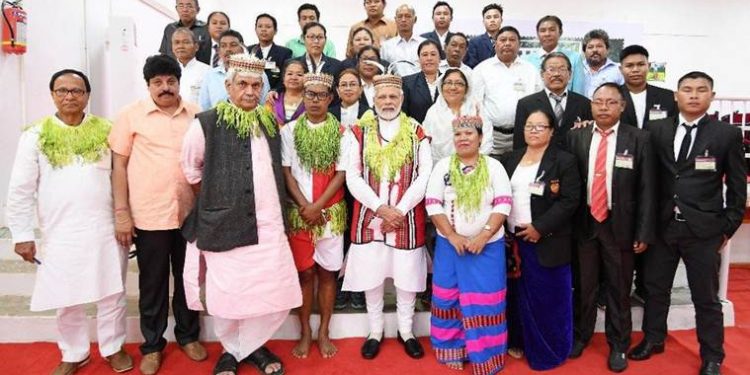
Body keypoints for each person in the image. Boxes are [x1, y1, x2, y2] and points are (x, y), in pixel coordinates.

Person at [181, 54, 302, 375]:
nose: (250, 91)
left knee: (264, 292)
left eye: (256, 85)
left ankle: (251, 346)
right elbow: (192, 171)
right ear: (228, 86)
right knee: (229, 294)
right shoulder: (205, 123)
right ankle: (230, 351)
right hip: (224, 225)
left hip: (269, 226)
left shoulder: (270, 124)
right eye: (243, 84)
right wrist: (216, 202)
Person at [7, 69, 132, 375]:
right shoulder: (35, 135)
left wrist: (126, 218)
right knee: (67, 296)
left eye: (76, 91)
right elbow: (20, 188)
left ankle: (113, 348)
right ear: (52, 95)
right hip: (60, 231)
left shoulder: (108, 130)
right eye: (62, 91)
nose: (69, 97)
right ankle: (74, 353)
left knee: (112, 292)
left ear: (88, 95)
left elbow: (124, 177)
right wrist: (22, 233)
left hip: (106, 227)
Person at [630, 72, 747, 375]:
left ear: (711, 95)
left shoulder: (726, 134)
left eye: (701, 90)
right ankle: (654, 339)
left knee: (705, 298)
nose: (693, 95)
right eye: (687, 90)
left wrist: (727, 226)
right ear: (675, 95)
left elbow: (737, 186)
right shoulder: (656, 130)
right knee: (655, 290)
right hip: (663, 226)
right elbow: (647, 178)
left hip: (704, 231)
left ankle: (712, 355)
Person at [109, 55, 206, 375]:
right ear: (148, 84)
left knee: (187, 279)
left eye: (170, 81)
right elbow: (119, 166)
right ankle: (152, 345)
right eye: (158, 82)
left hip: (188, 213)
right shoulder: (130, 116)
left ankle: (188, 336)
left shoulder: (196, 114)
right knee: (152, 284)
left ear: (179, 81)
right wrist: (121, 213)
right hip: (149, 214)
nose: (165, 88)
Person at [342, 72, 432, 360]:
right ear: (373, 99)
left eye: (393, 96)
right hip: (370, 216)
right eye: (382, 96)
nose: (388, 101)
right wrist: (380, 208)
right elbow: (353, 176)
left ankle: (406, 331)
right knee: (371, 275)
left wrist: (400, 210)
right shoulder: (359, 131)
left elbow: (424, 174)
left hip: (406, 216)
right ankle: (375, 331)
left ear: (402, 99)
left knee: (406, 276)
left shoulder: (416, 130)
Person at [567, 83, 655, 372]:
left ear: (622, 106)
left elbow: (647, 189)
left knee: (619, 290)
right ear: (591, 105)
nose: (603, 107)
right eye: (598, 102)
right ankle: (581, 336)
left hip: (621, 226)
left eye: (610, 102)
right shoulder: (576, 136)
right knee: (584, 286)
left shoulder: (639, 138)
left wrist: (643, 231)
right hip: (585, 224)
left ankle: (619, 345)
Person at [426, 114, 512, 374]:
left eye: (469, 134)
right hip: (450, 248)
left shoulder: (494, 166)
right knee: (448, 298)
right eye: (458, 135)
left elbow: (503, 203)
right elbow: (432, 203)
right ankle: (453, 349)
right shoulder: (442, 166)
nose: (463, 138)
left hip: (488, 248)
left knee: (486, 302)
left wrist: (484, 236)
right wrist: (452, 236)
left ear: (481, 138)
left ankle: (485, 355)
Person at [501, 110, 580, 370]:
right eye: (529, 126)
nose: (533, 130)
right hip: (513, 244)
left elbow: (570, 201)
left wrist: (539, 228)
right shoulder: (510, 159)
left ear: (551, 130)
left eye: (540, 126)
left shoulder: (564, 160)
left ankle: (550, 349)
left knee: (550, 299)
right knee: (516, 298)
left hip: (547, 242)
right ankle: (519, 341)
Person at [281, 72, 347, 359]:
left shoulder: (343, 133)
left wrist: (318, 205)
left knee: (327, 273)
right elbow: (286, 172)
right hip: (300, 213)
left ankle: (324, 331)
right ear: (303, 96)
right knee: (305, 273)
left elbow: (342, 173)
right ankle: (305, 331)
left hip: (329, 214)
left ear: (330, 99)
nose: (315, 100)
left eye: (321, 95)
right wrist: (305, 206)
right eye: (310, 94)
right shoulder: (289, 131)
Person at [329, 69, 370, 312]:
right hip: (333, 181)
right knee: (339, 234)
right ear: (336, 90)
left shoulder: (371, 114)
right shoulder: (329, 113)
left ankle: (358, 289)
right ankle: (340, 287)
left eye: (352, 84)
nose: (347, 88)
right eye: (342, 84)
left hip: (363, 181)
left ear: (361, 88)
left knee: (359, 234)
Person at [473, 26, 542, 157]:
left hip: (523, 136)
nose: (507, 43)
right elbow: (475, 104)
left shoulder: (530, 70)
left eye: (512, 40)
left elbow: (539, 103)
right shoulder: (482, 69)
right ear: (495, 44)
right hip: (492, 136)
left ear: (519, 44)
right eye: (503, 40)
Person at [513, 52, 592, 151]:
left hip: (575, 163)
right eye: (551, 70)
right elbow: (519, 143)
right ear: (542, 74)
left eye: (562, 69)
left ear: (570, 74)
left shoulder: (584, 103)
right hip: (540, 162)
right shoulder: (526, 104)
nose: (556, 74)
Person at [423, 68, 492, 163]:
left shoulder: (476, 109)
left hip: (474, 166)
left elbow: (486, 139)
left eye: (459, 83)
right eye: (448, 83)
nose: (453, 87)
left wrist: (471, 164)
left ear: (467, 88)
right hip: (440, 168)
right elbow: (426, 145)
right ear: (441, 86)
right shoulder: (433, 112)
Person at [199, 30, 270, 111]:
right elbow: (204, 107)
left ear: (242, 48)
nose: (228, 49)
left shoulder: (257, 73)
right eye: (223, 46)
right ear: (218, 51)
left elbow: (264, 104)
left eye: (233, 45)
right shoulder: (210, 75)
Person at [618, 45, 677, 131]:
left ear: (649, 66)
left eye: (641, 64)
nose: (635, 70)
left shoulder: (666, 96)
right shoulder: (612, 97)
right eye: (629, 65)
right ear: (621, 69)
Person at [524, 15, 585, 95]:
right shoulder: (527, 60)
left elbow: (579, 92)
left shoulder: (574, 58)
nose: (547, 34)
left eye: (552, 30)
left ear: (560, 32)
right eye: (542, 31)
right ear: (537, 34)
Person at [248, 13, 293, 90]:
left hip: (274, 97)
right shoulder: (249, 51)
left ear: (275, 31)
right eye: (260, 26)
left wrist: (274, 91)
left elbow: (284, 78)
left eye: (268, 27)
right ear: (255, 30)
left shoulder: (285, 53)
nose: (263, 29)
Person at [401, 39, 442, 123]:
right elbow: (403, 115)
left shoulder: (448, 81)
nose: (429, 58)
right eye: (424, 55)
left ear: (440, 59)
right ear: (419, 59)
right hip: (416, 133)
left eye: (433, 54)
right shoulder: (407, 83)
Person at [159, 0, 210, 65]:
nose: (185, 10)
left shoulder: (207, 29)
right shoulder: (170, 28)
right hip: (173, 72)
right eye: (181, 6)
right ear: (176, 9)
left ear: (198, 9)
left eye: (189, 6)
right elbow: (163, 55)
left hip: (200, 72)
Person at [380, 4, 425, 77]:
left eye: (408, 16)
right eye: (400, 16)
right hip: (395, 85)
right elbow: (383, 70)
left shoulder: (424, 44)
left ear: (415, 19)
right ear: (395, 20)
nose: (403, 20)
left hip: (420, 85)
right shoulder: (386, 46)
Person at [172, 27, 211, 105]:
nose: (181, 46)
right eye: (177, 42)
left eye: (186, 42)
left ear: (196, 47)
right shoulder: (166, 71)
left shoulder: (208, 71)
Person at [582, 29, 624, 99]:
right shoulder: (577, 69)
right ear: (584, 51)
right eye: (590, 47)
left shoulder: (618, 70)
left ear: (607, 49)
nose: (595, 50)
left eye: (599, 46)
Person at [266, 60, 306, 126]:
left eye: (299, 75)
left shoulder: (310, 102)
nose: (294, 78)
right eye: (290, 74)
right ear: (283, 78)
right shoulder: (273, 99)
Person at [464, 3, 503, 68]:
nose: (492, 20)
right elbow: (471, 65)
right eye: (488, 17)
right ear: (483, 21)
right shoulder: (475, 42)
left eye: (496, 17)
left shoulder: (507, 41)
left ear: (501, 20)